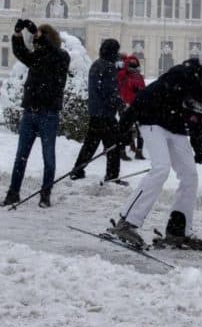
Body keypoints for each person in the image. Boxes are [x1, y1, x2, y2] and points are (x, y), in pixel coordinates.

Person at [106, 43, 202, 249]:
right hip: (153, 120)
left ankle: (178, 231)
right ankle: (126, 223)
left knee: (190, 174)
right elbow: (145, 95)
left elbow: (197, 119)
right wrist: (124, 125)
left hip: (176, 127)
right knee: (161, 168)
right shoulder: (181, 74)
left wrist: (198, 146)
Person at [1, 20, 70, 208]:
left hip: (49, 114)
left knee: (48, 157)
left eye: (38, 41)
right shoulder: (37, 57)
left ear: (49, 40)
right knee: (21, 156)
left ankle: (45, 194)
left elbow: (53, 52)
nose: (36, 45)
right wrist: (17, 34)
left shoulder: (61, 57)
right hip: (30, 112)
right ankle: (13, 193)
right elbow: (21, 53)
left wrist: (40, 35)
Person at [69, 39, 126, 185]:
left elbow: (100, 89)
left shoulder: (96, 64)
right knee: (114, 145)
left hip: (95, 112)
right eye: (116, 51)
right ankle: (112, 176)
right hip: (106, 114)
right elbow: (110, 92)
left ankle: (77, 170)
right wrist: (121, 106)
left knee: (90, 144)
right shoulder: (108, 67)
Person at [117, 55, 146, 160]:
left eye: (135, 64)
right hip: (126, 105)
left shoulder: (139, 76)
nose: (133, 67)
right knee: (125, 129)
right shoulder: (123, 74)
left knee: (140, 130)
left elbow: (143, 89)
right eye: (131, 64)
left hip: (137, 105)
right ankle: (122, 151)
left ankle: (139, 151)